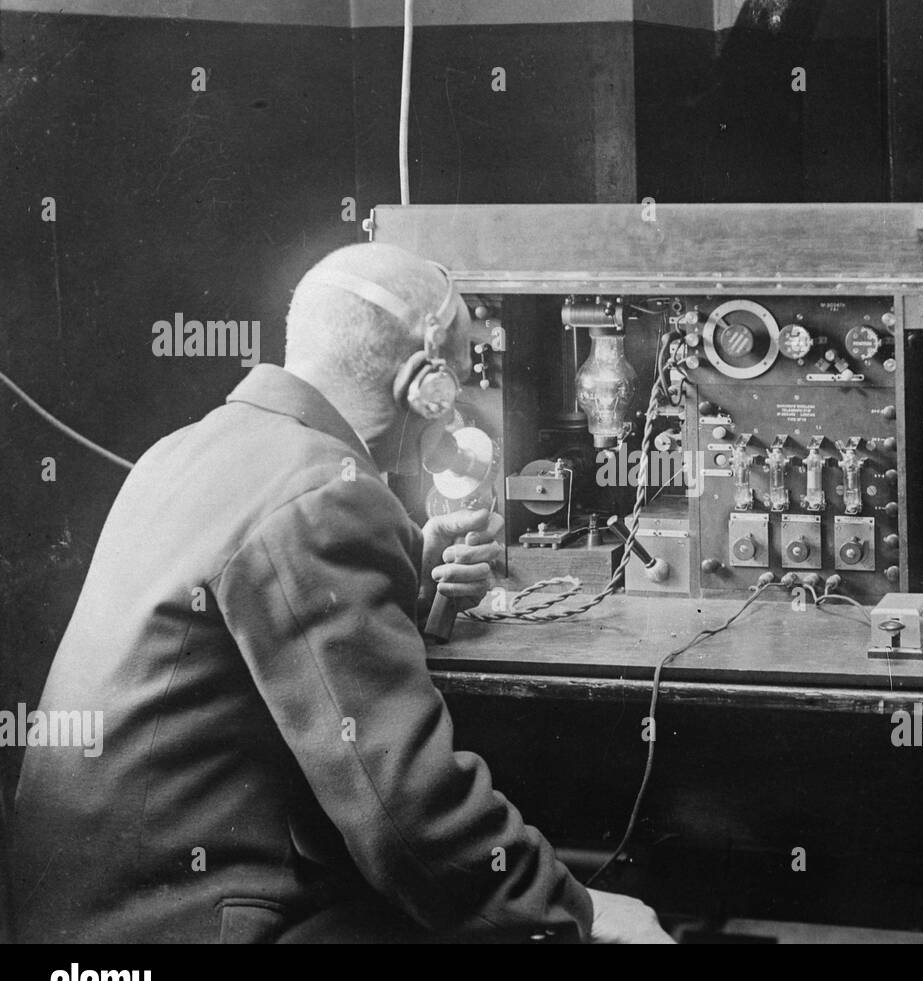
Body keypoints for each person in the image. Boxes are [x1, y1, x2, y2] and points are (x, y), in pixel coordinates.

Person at [11, 243, 672, 944]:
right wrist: (581, 910)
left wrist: (407, 579)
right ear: (426, 384)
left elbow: (260, 644)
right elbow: (409, 814)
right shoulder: (325, 491)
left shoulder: (181, 450)